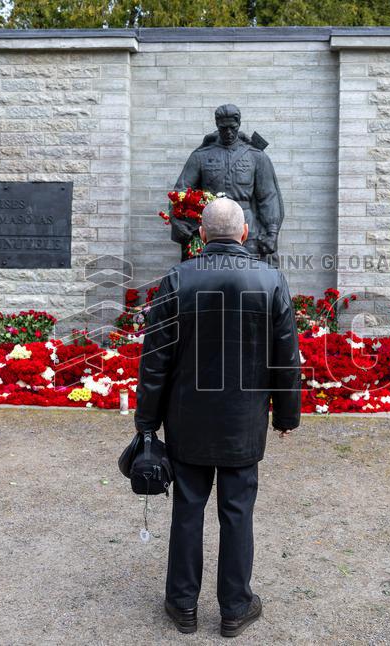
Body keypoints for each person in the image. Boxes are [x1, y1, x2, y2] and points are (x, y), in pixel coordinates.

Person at [135, 197, 302, 637]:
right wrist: (286, 416)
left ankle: (182, 603)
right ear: (244, 232)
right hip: (242, 422)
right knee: (237, 511)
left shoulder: (177, 279)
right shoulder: (270, 280)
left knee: (188, 510)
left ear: (203, 235)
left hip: (188, 418)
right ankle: (235, 606)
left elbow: (154, 361)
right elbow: (286, 357)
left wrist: (147, 424)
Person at [171, 104, 285, 262]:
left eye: (232, 127)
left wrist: (272, 233)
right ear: (217, 125)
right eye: (224, 128)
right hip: (210, 230)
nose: (228, 132)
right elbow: (180, 192)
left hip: (247, 231)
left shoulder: (255, 156)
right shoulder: (201, 156)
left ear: (239, 124)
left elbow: (268, 197)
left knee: (249, 279)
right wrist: (177, 221)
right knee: (206, 280)